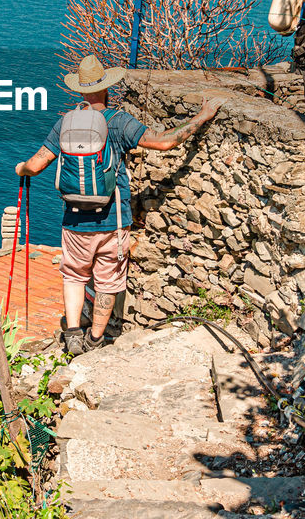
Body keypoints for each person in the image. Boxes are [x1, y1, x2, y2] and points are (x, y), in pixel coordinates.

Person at [15, 54, 223, 355]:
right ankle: (96, 341)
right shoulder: (119, 122)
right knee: (108, 281)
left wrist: (21, 169)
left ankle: (73, 334)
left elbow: (36, 165)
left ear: (80, 91)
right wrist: (201, 117)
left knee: (73, 275)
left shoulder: (65, 124)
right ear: (106, 88)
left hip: (74, 221)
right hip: (113, 220)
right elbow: (164, 142)